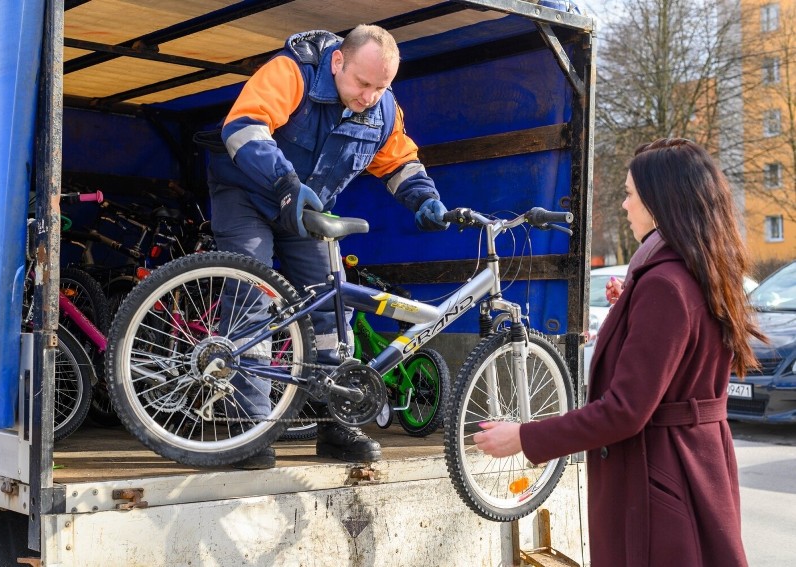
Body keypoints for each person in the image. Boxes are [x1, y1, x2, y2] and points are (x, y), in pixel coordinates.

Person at [474, 138, 764, 566]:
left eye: (630, 194)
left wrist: (523, 436)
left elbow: (626, 410)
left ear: (659, 200)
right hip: (696, 467)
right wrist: (630, 306)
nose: (625, 206)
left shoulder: (664, 284)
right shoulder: (699, 267)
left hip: (660, 478)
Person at [205, 25, 449, 469]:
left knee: (330, 307)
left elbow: (399, 161)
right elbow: (243, 128)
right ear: (338, 62)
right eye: (362, 83)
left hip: (308, 207)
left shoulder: (383, 109)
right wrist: (284, 183)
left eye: (381, 87)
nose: (370, 96)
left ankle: (334, 424)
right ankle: (250, 428)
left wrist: (424, 198)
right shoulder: (291, 72)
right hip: (247, 196)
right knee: (251, 297)